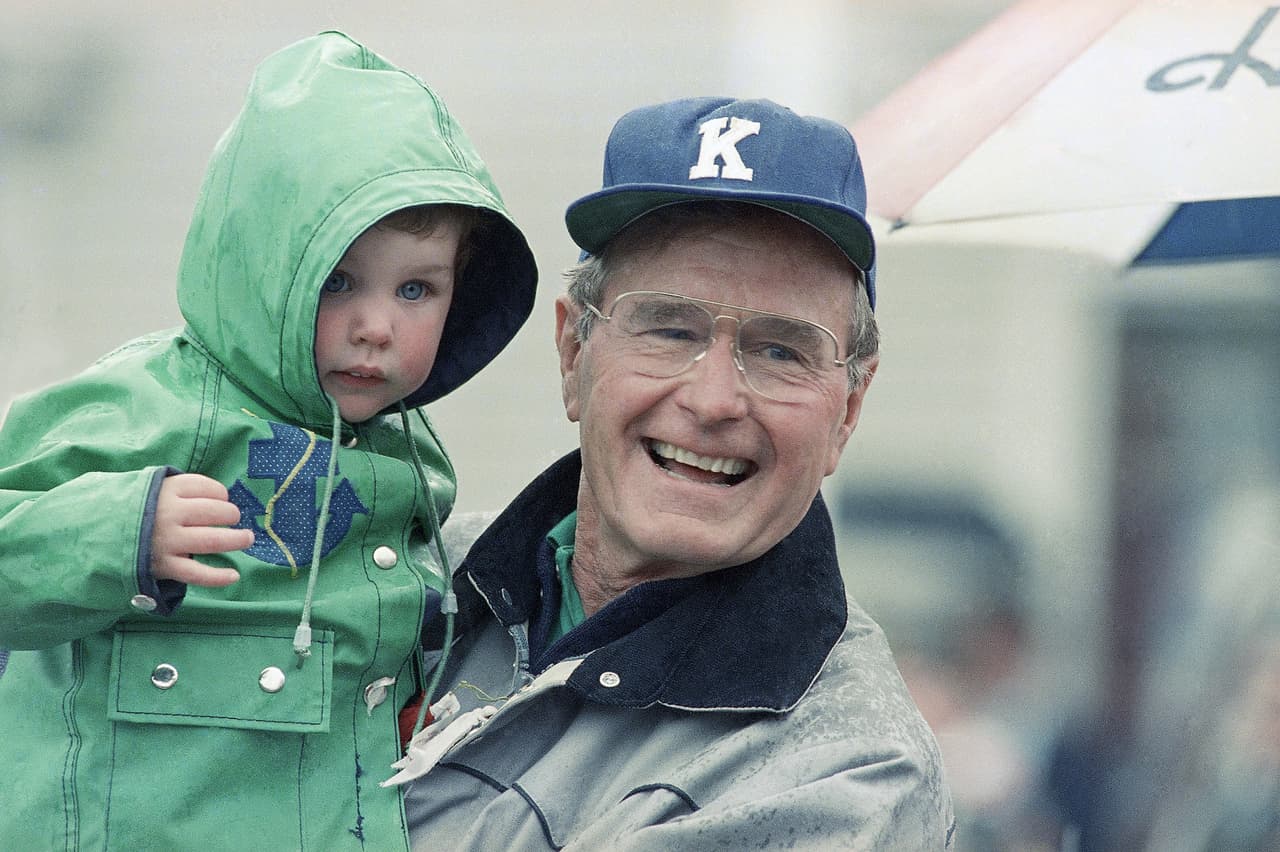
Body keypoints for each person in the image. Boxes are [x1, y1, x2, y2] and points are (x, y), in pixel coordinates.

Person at [0, 32, 536, 850]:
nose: (377, 327)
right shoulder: (145, 404)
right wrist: (119, 530)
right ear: (258, 267)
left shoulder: (414, 461)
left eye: (417, 288)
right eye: (337, 281)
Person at [399, 97, 955, 850]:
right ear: (572, 354)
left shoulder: (846, 769)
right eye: (669, 328)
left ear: (849, 408)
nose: (714, 399)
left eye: (781, 350)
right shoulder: (401, 586)